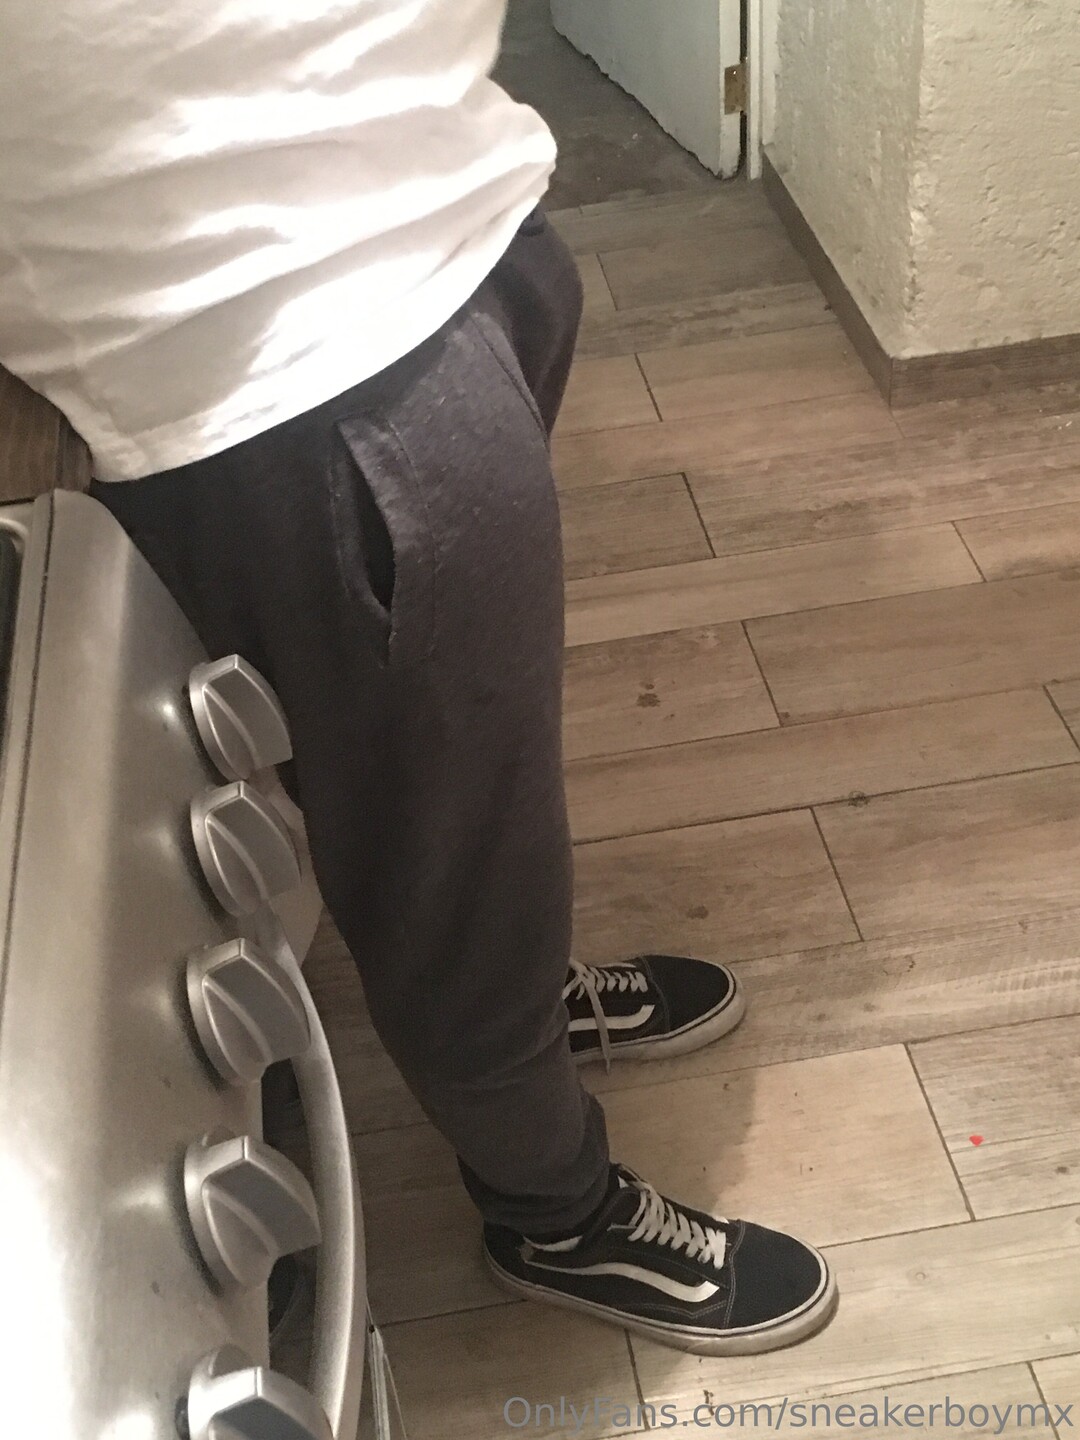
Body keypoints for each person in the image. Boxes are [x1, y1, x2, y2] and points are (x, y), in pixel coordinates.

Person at [0, 0, 837, 1354]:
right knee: (456, 852)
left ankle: (515, 1008)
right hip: (297, 353)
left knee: (457, 802)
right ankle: (552, 1206)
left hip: (451, 227)